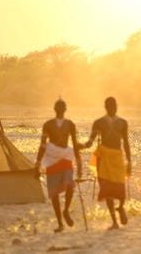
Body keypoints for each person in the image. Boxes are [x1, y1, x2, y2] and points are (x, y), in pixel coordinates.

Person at [82, 97, 131, 230]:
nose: (112, 107)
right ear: (106, 107)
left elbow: (126, 143)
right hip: (104, 158)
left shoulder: (122, 123)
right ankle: (114, 221)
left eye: (114, 105)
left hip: (117, 157)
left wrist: (129, 161)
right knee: (107, 189)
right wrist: (81, 146)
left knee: (121, 186)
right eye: (109, 105)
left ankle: (120, 207)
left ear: (117, 106)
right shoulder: (98, 123)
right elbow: (91, 141)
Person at [35, 98, 82, 233]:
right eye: (58, 108)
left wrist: (79, 163)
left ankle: (66, 210)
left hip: (66, 158)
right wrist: (38, 163)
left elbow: (75, 144)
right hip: (51, 159)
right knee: (54, 193)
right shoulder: (48, 125)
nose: (60, 110)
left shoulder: (70, 124)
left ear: (65, 109)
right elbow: (43, 145)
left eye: (62, 108)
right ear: (55, 109)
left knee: (70, 186)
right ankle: (60, 223)